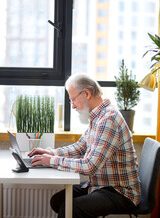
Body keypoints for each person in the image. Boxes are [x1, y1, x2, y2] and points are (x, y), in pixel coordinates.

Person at [28, 73, 141, 218]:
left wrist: (51, 161)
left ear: (86, 93)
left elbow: (90, 166)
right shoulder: (98, 116)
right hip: (100, 185)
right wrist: (51, 153)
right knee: (57, 201)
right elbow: (80, 147)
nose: (73, 106)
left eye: (73, 99)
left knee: (70, 209)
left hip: (120, 192)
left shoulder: (108, 119)